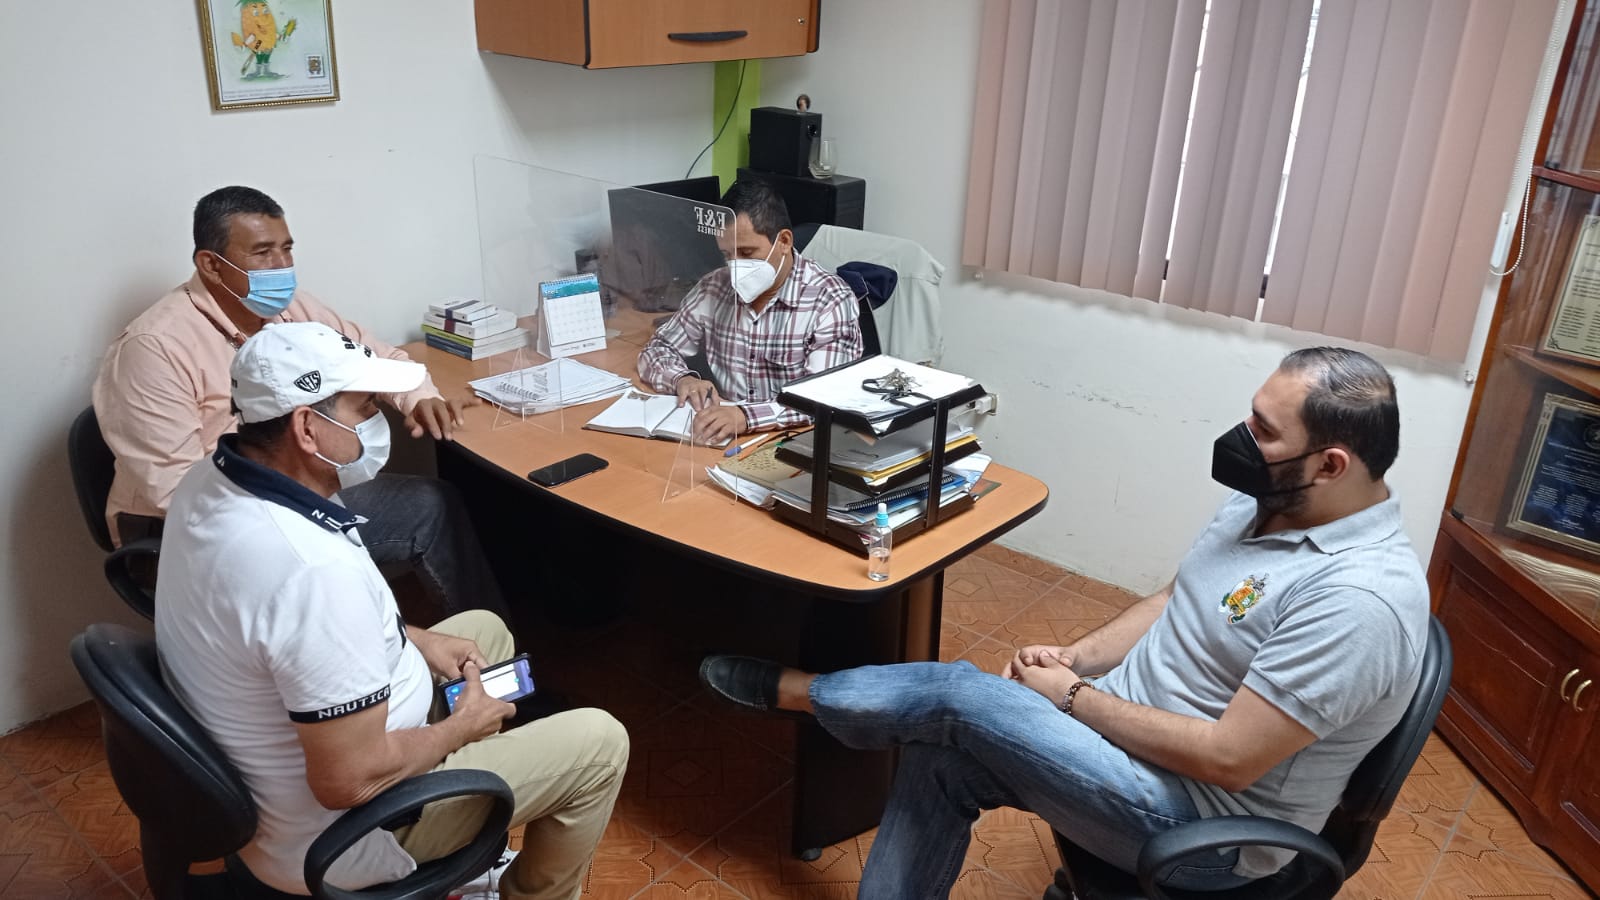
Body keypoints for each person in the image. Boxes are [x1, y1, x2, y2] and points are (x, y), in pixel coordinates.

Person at [698, 347, 1429, 898]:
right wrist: (1076, 661)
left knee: (961, 697)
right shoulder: (1272, 497)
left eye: (1263, 431)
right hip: (1119, 742)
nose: (1241, 437)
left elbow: (1228, 761)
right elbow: (1179, 597)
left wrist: (1071, 700)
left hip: (1199, 826)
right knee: (938, 753)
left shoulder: (1359, 601)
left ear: (1331, 465)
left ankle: (809, 694)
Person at [156, 322, 628, 898]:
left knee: (484, 634)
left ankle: (465, 836)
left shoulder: (213, 479)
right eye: (365, 408)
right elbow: (348, 782)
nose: (378, 420)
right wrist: (459, 728)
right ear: (306, 427)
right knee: (601, 743)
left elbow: (282, 634)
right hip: (349, 833)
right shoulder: (311, 573)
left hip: (280, 772)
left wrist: (416, 639)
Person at [93, 185, 506, 621]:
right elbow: (177, 490)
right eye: (263, 252)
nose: (282, 265)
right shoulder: (153, 347)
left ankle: (492, 652)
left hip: (295, 481)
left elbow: (377, 356)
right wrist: (301, 514)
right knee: (346, 561)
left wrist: (418, 397)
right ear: (211, 265)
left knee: (432, 503)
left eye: (287, 248)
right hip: (193, 526)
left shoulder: (291, 310)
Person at [636, 179, 863, 445]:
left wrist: (745, 416)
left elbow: (824, 399)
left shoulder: (830, 299)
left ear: (784, 241)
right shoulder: (714, 287)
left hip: (795, 442)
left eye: (746, 252)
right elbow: (656, 350)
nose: (735, 267)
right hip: (723, 438)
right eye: (727, 255)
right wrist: (682, 379)